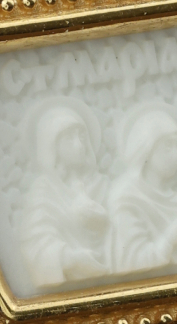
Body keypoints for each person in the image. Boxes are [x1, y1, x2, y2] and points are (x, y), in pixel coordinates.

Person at [17, 101, 110, 289]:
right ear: (51, 146)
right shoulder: (45, 190)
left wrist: (104, 221)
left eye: (81, 136)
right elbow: (37, 243)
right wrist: (71, 259)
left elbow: (126, 231)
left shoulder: (104, 184)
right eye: (69, 138)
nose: (79, 145)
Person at [105, 103, 177, 273]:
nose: (175, 155)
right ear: (146, 148)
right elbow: (132, 264)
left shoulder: (172, 195)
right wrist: (171, 238)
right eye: (168, 145)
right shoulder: (126, 198)